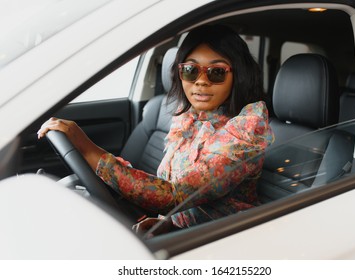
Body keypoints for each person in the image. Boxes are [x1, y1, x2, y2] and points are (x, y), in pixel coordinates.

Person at [37, 25, 274, 235]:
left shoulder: (246, 129)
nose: (201, 81)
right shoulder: (188, 119)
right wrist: (167, 223)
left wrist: (87, 148)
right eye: (191, 71)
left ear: (238, 76)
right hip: (185, 236)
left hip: (223, 243)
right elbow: (177, 197)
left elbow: (177, 195)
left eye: (216, 72)